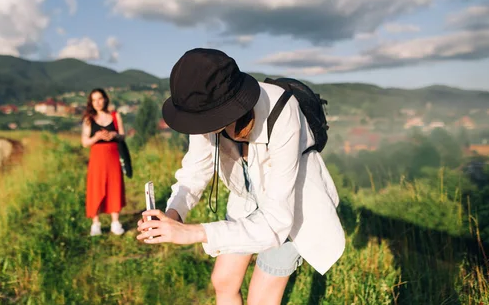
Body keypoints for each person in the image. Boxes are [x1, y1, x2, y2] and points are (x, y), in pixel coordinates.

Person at [136, 48, 345, 305]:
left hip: (290, 207)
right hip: (246, 199)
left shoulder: (282, 110)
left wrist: (191, 233)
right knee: (223, 281)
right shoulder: (202, 111)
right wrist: (172, 216)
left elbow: (275, 223)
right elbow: (195, 172)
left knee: (262, 298)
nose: (196, 129)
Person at [81, 88, 127, 236]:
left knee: (114, 186)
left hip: (113, 156)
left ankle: (115, 222)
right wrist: (98, 137)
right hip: (97, 158)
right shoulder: (89, 119)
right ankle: (96, 224)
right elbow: (85, 142)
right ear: (91, 102)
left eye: (100, 98)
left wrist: (113, 134)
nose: (97, 102)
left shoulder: (115, 116)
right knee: (96, 187)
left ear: (105, 99)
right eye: (94, 100)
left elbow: (122, 135)